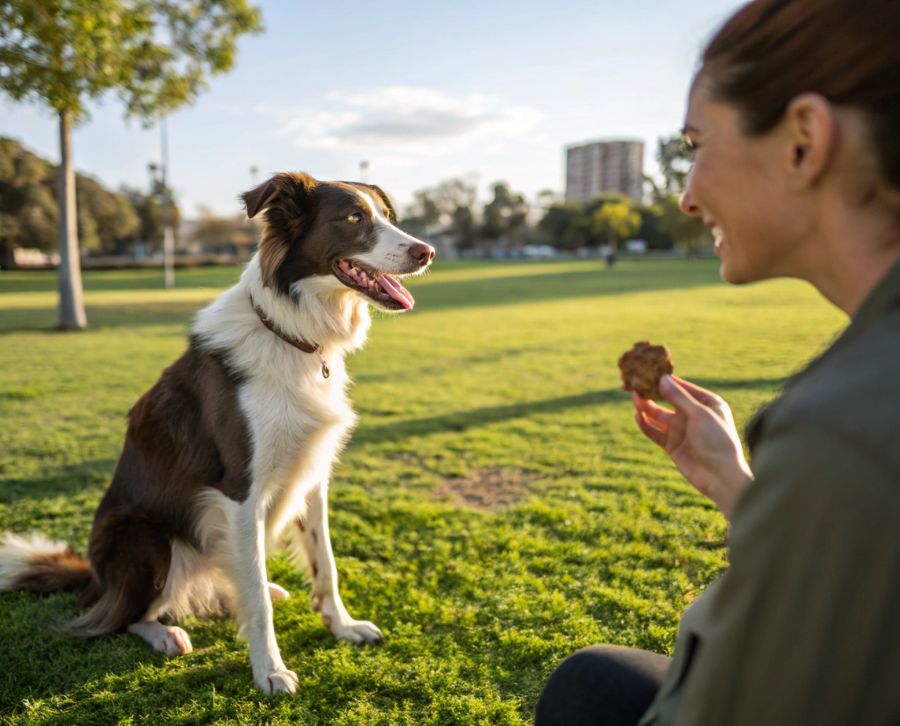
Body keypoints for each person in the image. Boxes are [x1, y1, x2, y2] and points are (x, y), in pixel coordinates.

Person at [536, 0, 900, 723]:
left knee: (585, 692)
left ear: (803, 141)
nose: (688, 194)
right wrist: (740, 488)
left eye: (697, 146)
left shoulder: (845, 426)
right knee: (601, 679)